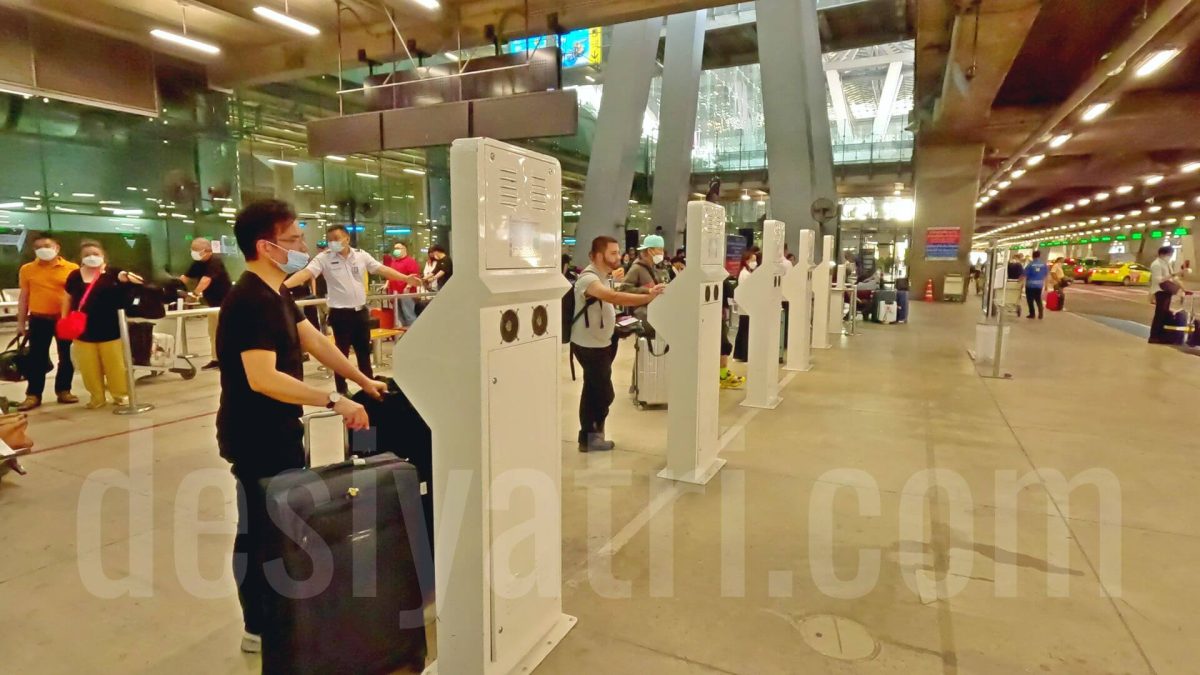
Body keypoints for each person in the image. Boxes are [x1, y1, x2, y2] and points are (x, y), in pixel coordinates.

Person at [216, 200, 388, 654]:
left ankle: (279, 612)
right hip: (255, 436)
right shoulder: (250, 299)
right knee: (259, 530)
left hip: (280, 432)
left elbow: (314, 340)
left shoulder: (277, 293)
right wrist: (333, 399)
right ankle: (258, 625)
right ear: (265, 246)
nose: (303, 246)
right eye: (293, 240)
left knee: (279, 527)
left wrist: (361, 379)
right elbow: (262, 378)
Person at [283, 225, 420, 395]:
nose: (333, 242)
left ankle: (369, 389)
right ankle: (341, 390)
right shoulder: (324, 258)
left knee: (364, 354)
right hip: (340, 315)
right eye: (330, 239)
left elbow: (381, 269)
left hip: (361, 313)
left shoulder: (361, 256)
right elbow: (306, 273)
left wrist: (405, 278)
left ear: (347, 238)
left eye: (337, 238)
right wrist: (282, 286)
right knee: (341, 355)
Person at [571, 236, 664, 452]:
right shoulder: (588, 279)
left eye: (617, 252)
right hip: (589, 345)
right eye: (612, 253)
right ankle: (592, 436)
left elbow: (616, 295)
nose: (618, 256)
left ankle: (590, 438)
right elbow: (614, 297)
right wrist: (648, 298)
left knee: (591, 390)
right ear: (597, 255)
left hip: (603, 341)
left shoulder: (604, 276)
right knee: (605, 393)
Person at [63, 241, 143, 409]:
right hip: (82, 329)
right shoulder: (75, 276)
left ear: (103, 256)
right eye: (87, 255)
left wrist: (126, 279)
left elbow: (137, 284)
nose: (91, 257)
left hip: (111, 328)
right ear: (81, 258)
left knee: (115, 365)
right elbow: (67, 299)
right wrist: (64, 319)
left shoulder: (113, 273)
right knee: (88, 367)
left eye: (95, 254)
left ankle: (120, 394)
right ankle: (96, 397)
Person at [15, 234, 79, 411]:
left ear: (57, 248)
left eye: (47, 245)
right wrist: (21, 323)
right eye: (38, 247)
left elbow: (77, 295)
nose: (43, 249)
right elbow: (24, 297)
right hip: (39, 319)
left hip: (64, 319)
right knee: (37, 358)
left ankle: (64, 390)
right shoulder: (27, 269)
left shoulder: (72, 268)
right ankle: (33, 395)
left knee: (67, 356)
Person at [179, 237, 232, 370]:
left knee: (225, 332)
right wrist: (175, 287)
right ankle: (216, 358)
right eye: (192, 250)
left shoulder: (215, 262)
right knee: (213, 331)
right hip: (212, 304)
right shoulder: (198, 263)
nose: (193, 253)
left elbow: (205, 281)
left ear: (207, 251)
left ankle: (228, 358)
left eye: (196, 250)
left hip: (225, 304)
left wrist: (195, 294)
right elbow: (185, 278)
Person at [1148, 245, 1182, 344]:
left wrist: (1182, 288)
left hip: (1166, 291)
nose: (1170, 256)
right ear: (1163, 254)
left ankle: (1161, 335)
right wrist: (1172, 275)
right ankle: (1154, 336)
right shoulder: (1156, 264)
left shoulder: (1167, 263)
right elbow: (1158, 279)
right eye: (1170, 254)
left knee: (1164, 313)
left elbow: (1172, 278)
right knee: (1159, 314)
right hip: (1160, 291)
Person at [387, 241, 421, 328]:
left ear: (404, 249)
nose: (396, 250)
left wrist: (408, 286)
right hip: (394, 293)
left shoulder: (410, 261)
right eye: (395, 248)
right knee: (399, 316)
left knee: (409, 315)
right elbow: (390, 274)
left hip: (406, 294)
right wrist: (387, 284)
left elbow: (414, 275)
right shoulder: (394, 262)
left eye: (398, 248)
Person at [732, 250, 758, 362]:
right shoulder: (745, 274)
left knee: (744, 329)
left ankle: (740, 354)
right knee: (745, 330)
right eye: (753, 260)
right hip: (746, 306)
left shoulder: (747, 273)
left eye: (755, 260)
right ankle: (742, 354)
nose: (755, 262)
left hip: (746, 306)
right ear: (746, 261)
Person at [1022, 250, 1050, 320]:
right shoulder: (1044, 264)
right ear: (1039, 256)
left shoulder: (1030, 264)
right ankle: (1040, 313)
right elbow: (1046, 275)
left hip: (1030, 285)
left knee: (1030, 300)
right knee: (1038, 299)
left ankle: (1032, 314)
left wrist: (1020, 283)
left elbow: (1024, 275)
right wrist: (1046, 285)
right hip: (1039, 285)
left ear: (1033, 256)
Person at [1006, 253, 1025, 317]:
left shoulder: (1008, 264)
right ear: (1019, 258)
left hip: (1008, 281)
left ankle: (1008, 304)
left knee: (1008, 293)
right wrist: (1021, 283)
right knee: (1016, 295)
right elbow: (1021, 275)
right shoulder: (1019, 265)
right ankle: (1015, 305)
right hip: (1017, 282)